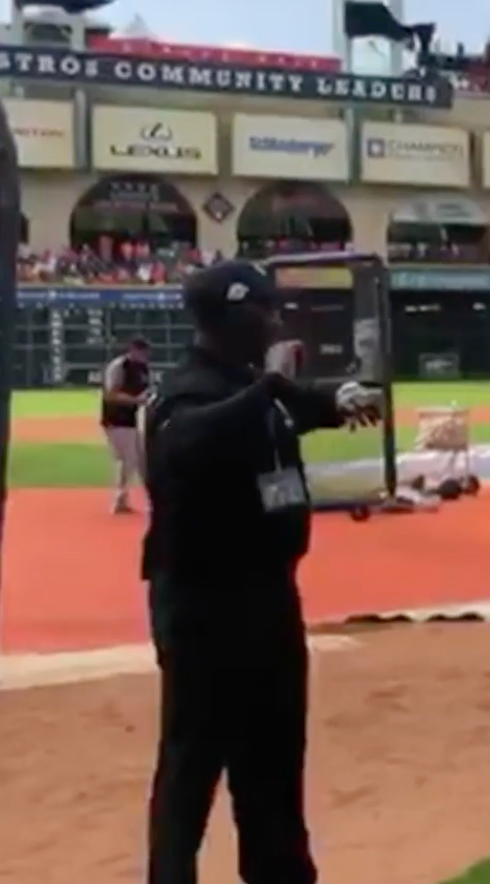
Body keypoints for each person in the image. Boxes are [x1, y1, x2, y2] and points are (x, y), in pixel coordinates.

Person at [140, 260, 383, 884]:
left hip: (269, 598)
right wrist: (267, 389)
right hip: (204, 606)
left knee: (273, 761)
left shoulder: (247, 382)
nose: (276, 321)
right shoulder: (186, 390)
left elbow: (292, 406)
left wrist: (335, 401)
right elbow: (188, 442)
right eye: (266, 311)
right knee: (192, 765)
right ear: (233, 317)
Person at [99, 337, 152, 514]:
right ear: (132, 350)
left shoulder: (142, 368)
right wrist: (137, 400)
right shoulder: (119, 366)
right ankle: (121, 499)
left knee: (140, 459)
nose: (144, 355)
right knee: (130, 459)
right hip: (115, 419)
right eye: (141, 351)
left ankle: (126, 499)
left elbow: (145, 390)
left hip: (130, 419)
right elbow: (111, 395)